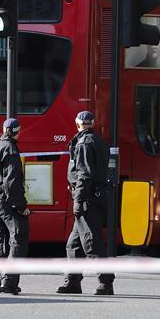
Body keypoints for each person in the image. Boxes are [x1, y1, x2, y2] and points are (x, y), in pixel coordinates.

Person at [57, 111, 114, 295]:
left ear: (77, 124)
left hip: (87, 199)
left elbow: (83, 175)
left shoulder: (83, 144)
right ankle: (73, 282)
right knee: (73, 244)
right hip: (92, 197)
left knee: (91, 242)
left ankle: (105, 283)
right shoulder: (97, 141)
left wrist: (78, 200)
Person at [0, 118, 31, 295]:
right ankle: (9, 282)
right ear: (19, 131)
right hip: (5, 198)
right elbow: (12, 182)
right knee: (19, 235)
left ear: (3, 130)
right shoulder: (11, 150)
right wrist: (21, 206)